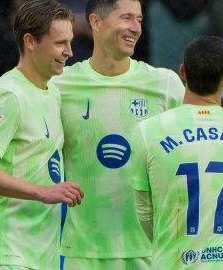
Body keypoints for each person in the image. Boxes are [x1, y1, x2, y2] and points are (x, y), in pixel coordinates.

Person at [51, 0, 185, 269]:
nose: (135, 28)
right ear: (96, 22)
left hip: (152, 248)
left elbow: (190, 153)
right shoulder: (59, 85)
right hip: (84, 251)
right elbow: (34, 146)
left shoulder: (165, 84)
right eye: (126, 18)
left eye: (139, 19)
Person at [0, 1, 83, 269]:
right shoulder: (9, 94)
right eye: (60, 43)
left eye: (70, 41)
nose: (69, 51)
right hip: (5, 254)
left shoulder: (52, 93)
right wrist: (42, 192)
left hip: (40, 256)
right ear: (30, 41)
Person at [130, 36, 223, 269]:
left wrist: (167, 241)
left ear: (182, 72)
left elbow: (144, 211)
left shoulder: (147, 132)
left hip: (171, 261)